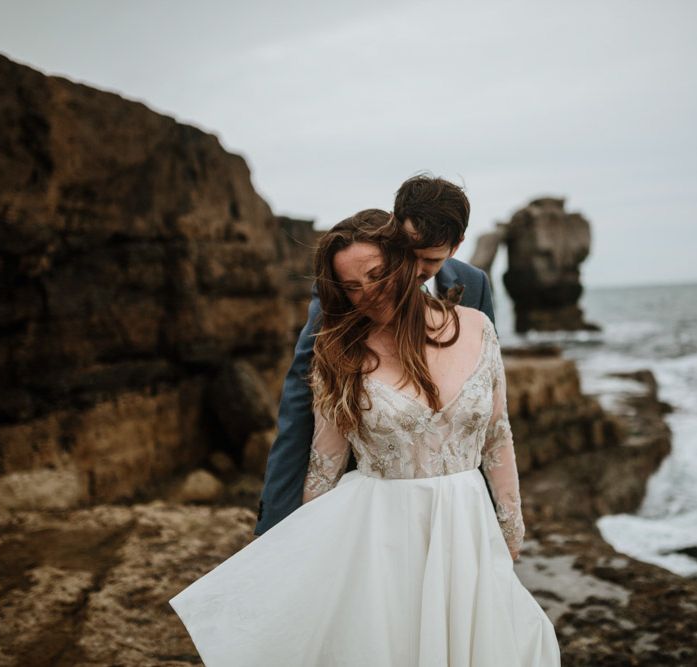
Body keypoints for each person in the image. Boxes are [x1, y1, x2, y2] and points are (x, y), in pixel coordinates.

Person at [169, 209, 561, 666]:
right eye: (352, 286)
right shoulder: (338, 340)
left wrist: (510, 526)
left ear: (407, 262)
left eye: (376, 275)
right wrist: (288, 537)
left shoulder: (474, 312)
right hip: (383, 528)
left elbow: (495, 431)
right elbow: (313, 440)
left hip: (465, 519)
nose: (368, 294)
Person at [256, 175, 495, 535]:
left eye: (430, 259)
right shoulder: (351, 285)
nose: (415, 269)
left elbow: (486, 394)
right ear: (394, 228)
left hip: (452, 506)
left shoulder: (473, 284)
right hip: (371, 496)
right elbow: (300, 397)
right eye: (409, 252)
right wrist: (276, 518)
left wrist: (491, 513)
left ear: (457, 246)